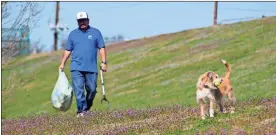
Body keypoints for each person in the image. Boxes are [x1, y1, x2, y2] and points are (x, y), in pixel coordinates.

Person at [59, 11, 107, 117]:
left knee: (92, 90)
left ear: (88, 20)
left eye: (84, 20)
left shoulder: (95, 32)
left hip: (91, 68)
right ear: (77, 22)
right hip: (76, 67)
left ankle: (87, 107)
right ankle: (81, 111)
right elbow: (68, 50)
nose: (82, 23)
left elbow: (102, 48)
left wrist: (104, 62)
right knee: (78, 90)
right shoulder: (73, 34)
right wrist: (62, 63)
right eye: (80, 21)